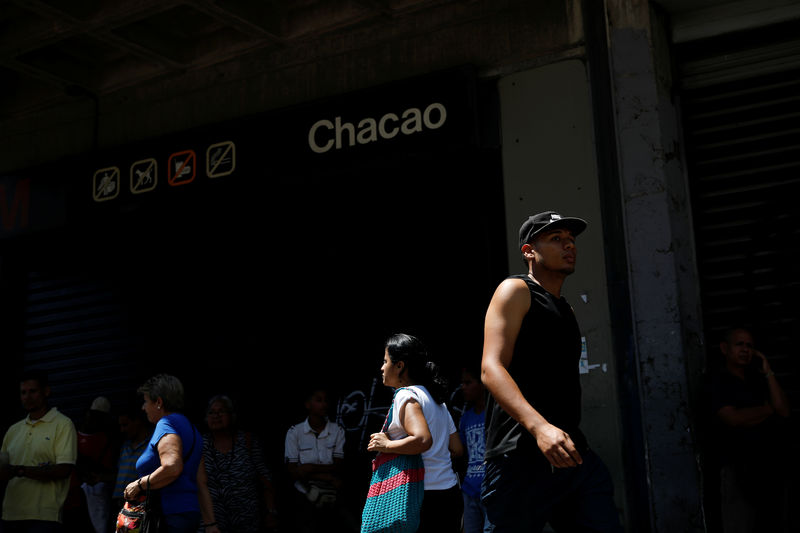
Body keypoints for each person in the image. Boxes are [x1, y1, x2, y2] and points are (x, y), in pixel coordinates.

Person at [480, 211, 623, 532]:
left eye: (570, 240)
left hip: (571, 457)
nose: (568, 246)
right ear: (529, 251)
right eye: (556, 239)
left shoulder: (566, 309)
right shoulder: (515, 291)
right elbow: (491, 369)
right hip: (518, 458)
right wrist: (540, 428)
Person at [367, 333, 464, 533]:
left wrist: (386, 445)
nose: (382, 367)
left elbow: (421, 439)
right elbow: (456, 449)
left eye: (385, 361)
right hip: (449, 495)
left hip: (418, 496)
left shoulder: (405, 394)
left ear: (400, 365)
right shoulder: (438, 402)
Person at [709, 327, 791, 533]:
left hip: (767, 467)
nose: (745, 349)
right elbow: (733, 419)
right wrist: (766, 409)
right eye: (739, 344)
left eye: (750, 346)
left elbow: (783, 410)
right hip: (736, 466)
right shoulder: (717, 381)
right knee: (740, 523)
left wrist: (768, 371)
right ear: (724, 348)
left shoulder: (756, 380)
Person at [122, 374, 203, 533]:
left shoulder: (166, 424)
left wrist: (138, 485)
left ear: (158, 402)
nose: (143, 408)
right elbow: (202, 481)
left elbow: (172, 467)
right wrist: (210, 523)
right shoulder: (192, 429)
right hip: (189, 512)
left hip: (168, 515)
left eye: (145, 401)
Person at [0, 369, 78, 533]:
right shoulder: (13, 430)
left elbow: (64, 470)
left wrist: (19, 470)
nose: (27, 397)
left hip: (44, 517)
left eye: (33, 391)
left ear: (46, 391)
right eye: (23, 392)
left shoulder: (63, 424)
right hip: (10, 515)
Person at [197, 394, 278, 532]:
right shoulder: (201, 444)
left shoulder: (248, 440)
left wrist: (271, 511)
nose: (216, 416)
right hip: (214, 522)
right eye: (211, 412)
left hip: (248, 519)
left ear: (231, 415)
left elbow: (265, 478)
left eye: (221, 411)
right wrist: (209, 524)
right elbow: (199, 484)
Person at [284, 386, 354, 533]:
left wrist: (310, 468)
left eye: (326, 401)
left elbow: (339, 465)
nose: (324, 404)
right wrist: (326, 476)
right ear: (308, 405)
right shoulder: (294, 432)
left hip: (332, 494)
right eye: (318, 400)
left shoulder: (337, 431)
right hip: (304, 494)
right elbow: (292, 471)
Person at [458, 363, 494, 533]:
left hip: (492, 490)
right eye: (462, 383)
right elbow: (461, 452)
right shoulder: (466, 418)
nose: (463, 387)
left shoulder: (494, 415)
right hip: (469, 490)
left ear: (482, 384)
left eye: (468, 383)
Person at [74, 396, 117, 533]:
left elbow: (109, 471)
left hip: (96, 496)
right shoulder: (71, 435)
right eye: (93, 415)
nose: (95, 420)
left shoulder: (105, 440)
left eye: (100, 417)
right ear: (87, 413)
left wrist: (97, 477)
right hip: (73, 496)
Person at [111, 401, 153, 513]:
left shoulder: (152, 445)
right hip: (119, 504)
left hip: (138, 505)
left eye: (125, 425)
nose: (122, 430)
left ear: (138, 422)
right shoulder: (125, 446)